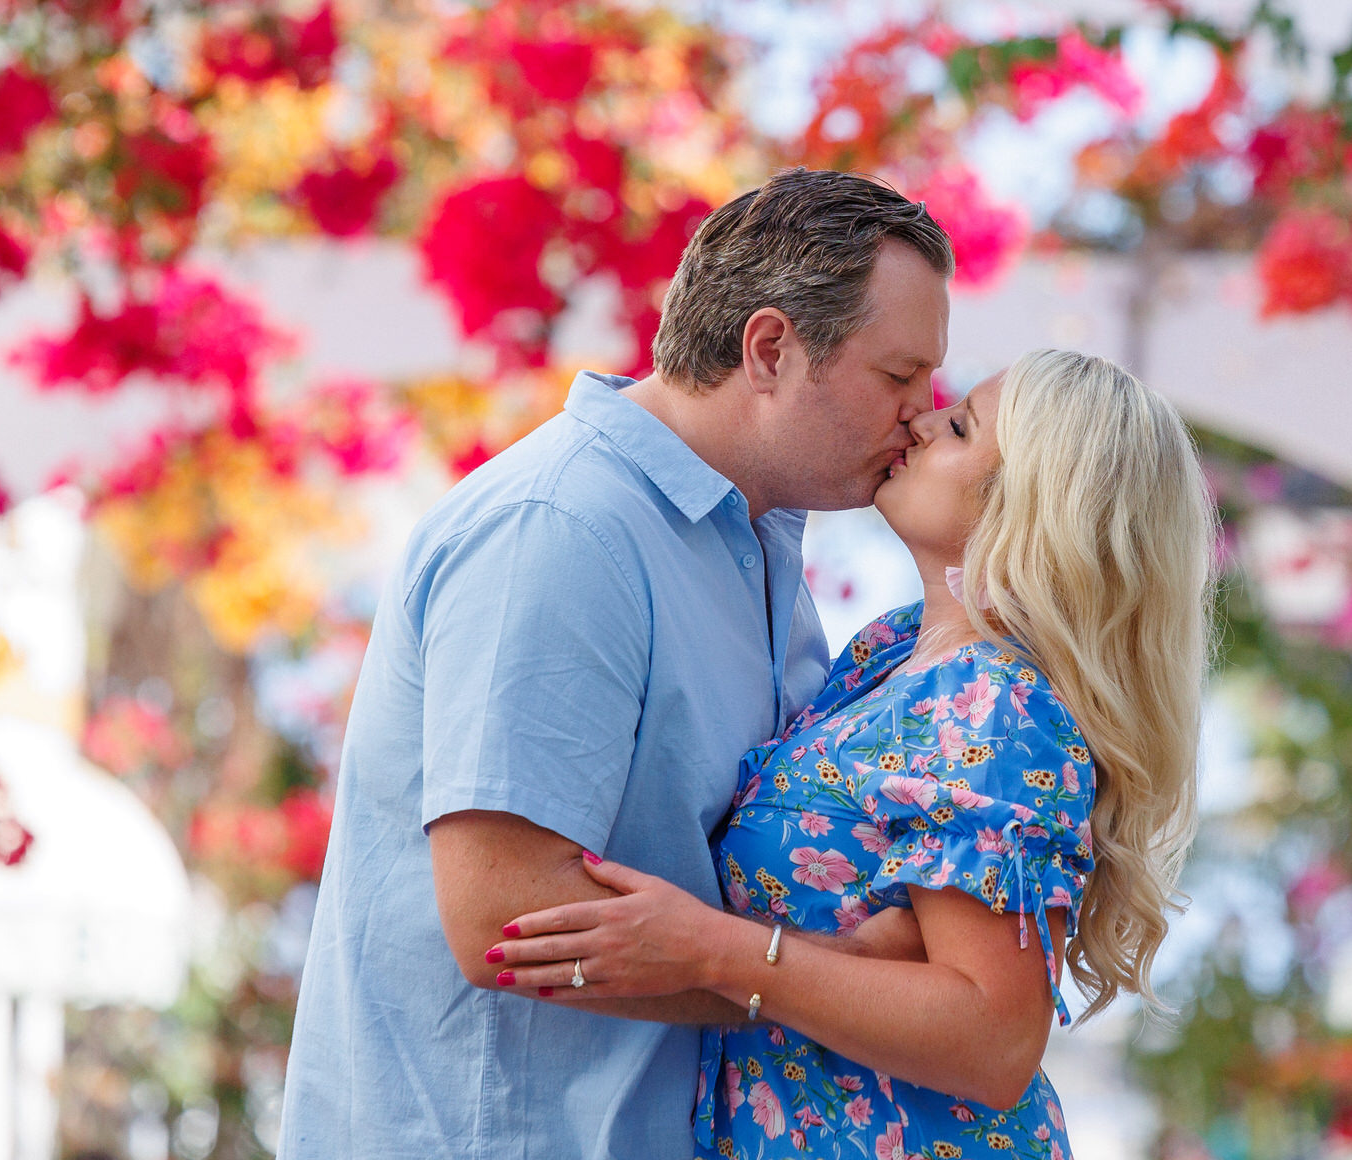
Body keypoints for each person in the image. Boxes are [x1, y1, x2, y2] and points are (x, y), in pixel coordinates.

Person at [280, 169, 956, 1160]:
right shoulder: (563, 529)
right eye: (898, 376)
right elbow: (510, 917)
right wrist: (838, 976)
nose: (923, 414)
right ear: (770, 348)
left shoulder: (751, 546)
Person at [492, 348, 1216, 1160]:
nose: (922, 417)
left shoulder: (995, 704)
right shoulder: (890, 653)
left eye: (961, 425)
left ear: (1031, 503)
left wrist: (708, 948)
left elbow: (994, 1042)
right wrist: (837, 955)